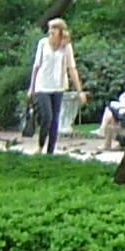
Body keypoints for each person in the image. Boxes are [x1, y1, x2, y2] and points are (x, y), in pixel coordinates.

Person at [28, 17, 85, 155]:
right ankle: (41, 145)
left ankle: (50, 151)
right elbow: (36, 66)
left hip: (58, 86)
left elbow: (71, 68)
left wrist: (80, 91)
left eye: (54, 28)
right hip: (42, 85)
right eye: (50, 28)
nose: (51, 31)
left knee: (55, 119)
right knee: (47, 116)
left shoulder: (66, 46)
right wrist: (31, 87)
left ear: (61, 31)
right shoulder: (43, 43)